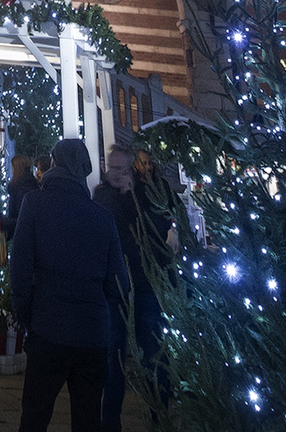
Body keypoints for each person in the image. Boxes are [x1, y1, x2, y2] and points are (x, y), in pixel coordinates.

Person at [10, 136, 128, 432]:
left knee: (35, 417)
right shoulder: (102, 219)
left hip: (48, 328)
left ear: (54, 164)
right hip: (92, 337)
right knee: (88, 420)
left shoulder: (34, 204)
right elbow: (119, 285)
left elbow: (21, 268)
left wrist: (26, 315)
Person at [93, 145, 177, 430]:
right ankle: (110, 422)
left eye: (120, 168)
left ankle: (159, 414)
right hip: (114, 287)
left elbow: (155, 229)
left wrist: (133, 195)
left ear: (132, 169)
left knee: (154, 353)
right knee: (112, 357)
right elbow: (110, 221)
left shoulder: (146, 194)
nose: (115, 174)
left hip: (144, 284)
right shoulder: (102, 195)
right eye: (111, 167)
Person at [5, 154, 39, 238]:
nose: (12, 172)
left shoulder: (20, 188)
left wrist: (4, 222)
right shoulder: (32, 185)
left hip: (21, 234)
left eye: (12, 168)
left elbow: (22, 217)